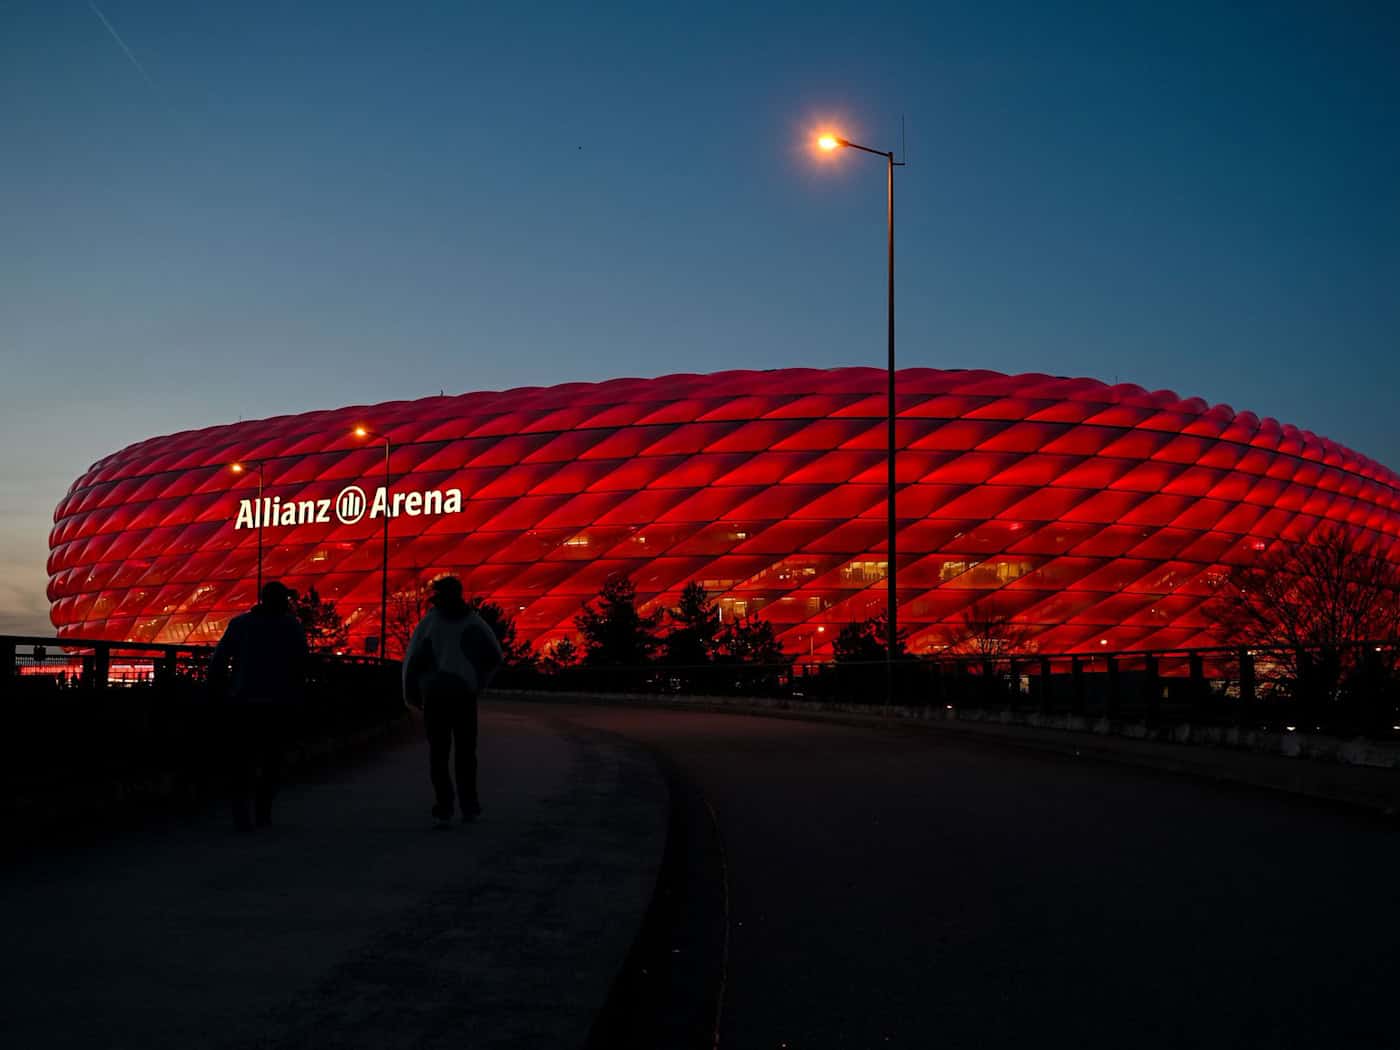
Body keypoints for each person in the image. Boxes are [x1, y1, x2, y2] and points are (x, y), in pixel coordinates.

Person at [402, 576, 503, 828]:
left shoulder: (430, 623)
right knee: (466, 753)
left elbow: (412, 660)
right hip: (463, 695)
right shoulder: (473, 622)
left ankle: (444, 806)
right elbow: (495, 656)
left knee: (439, 753)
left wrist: (410, 693)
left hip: (435, 695)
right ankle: (469, 805)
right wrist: (478, 682)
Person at [209, 581, 308, 831]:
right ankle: (263, 813)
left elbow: (219, 660)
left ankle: (242, 815)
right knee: (272, 762)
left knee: (243, 761)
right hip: (278, 704)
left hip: (243, 702)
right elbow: (302, 664)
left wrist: (219, 691)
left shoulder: (241, 624)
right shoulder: (291, 626)